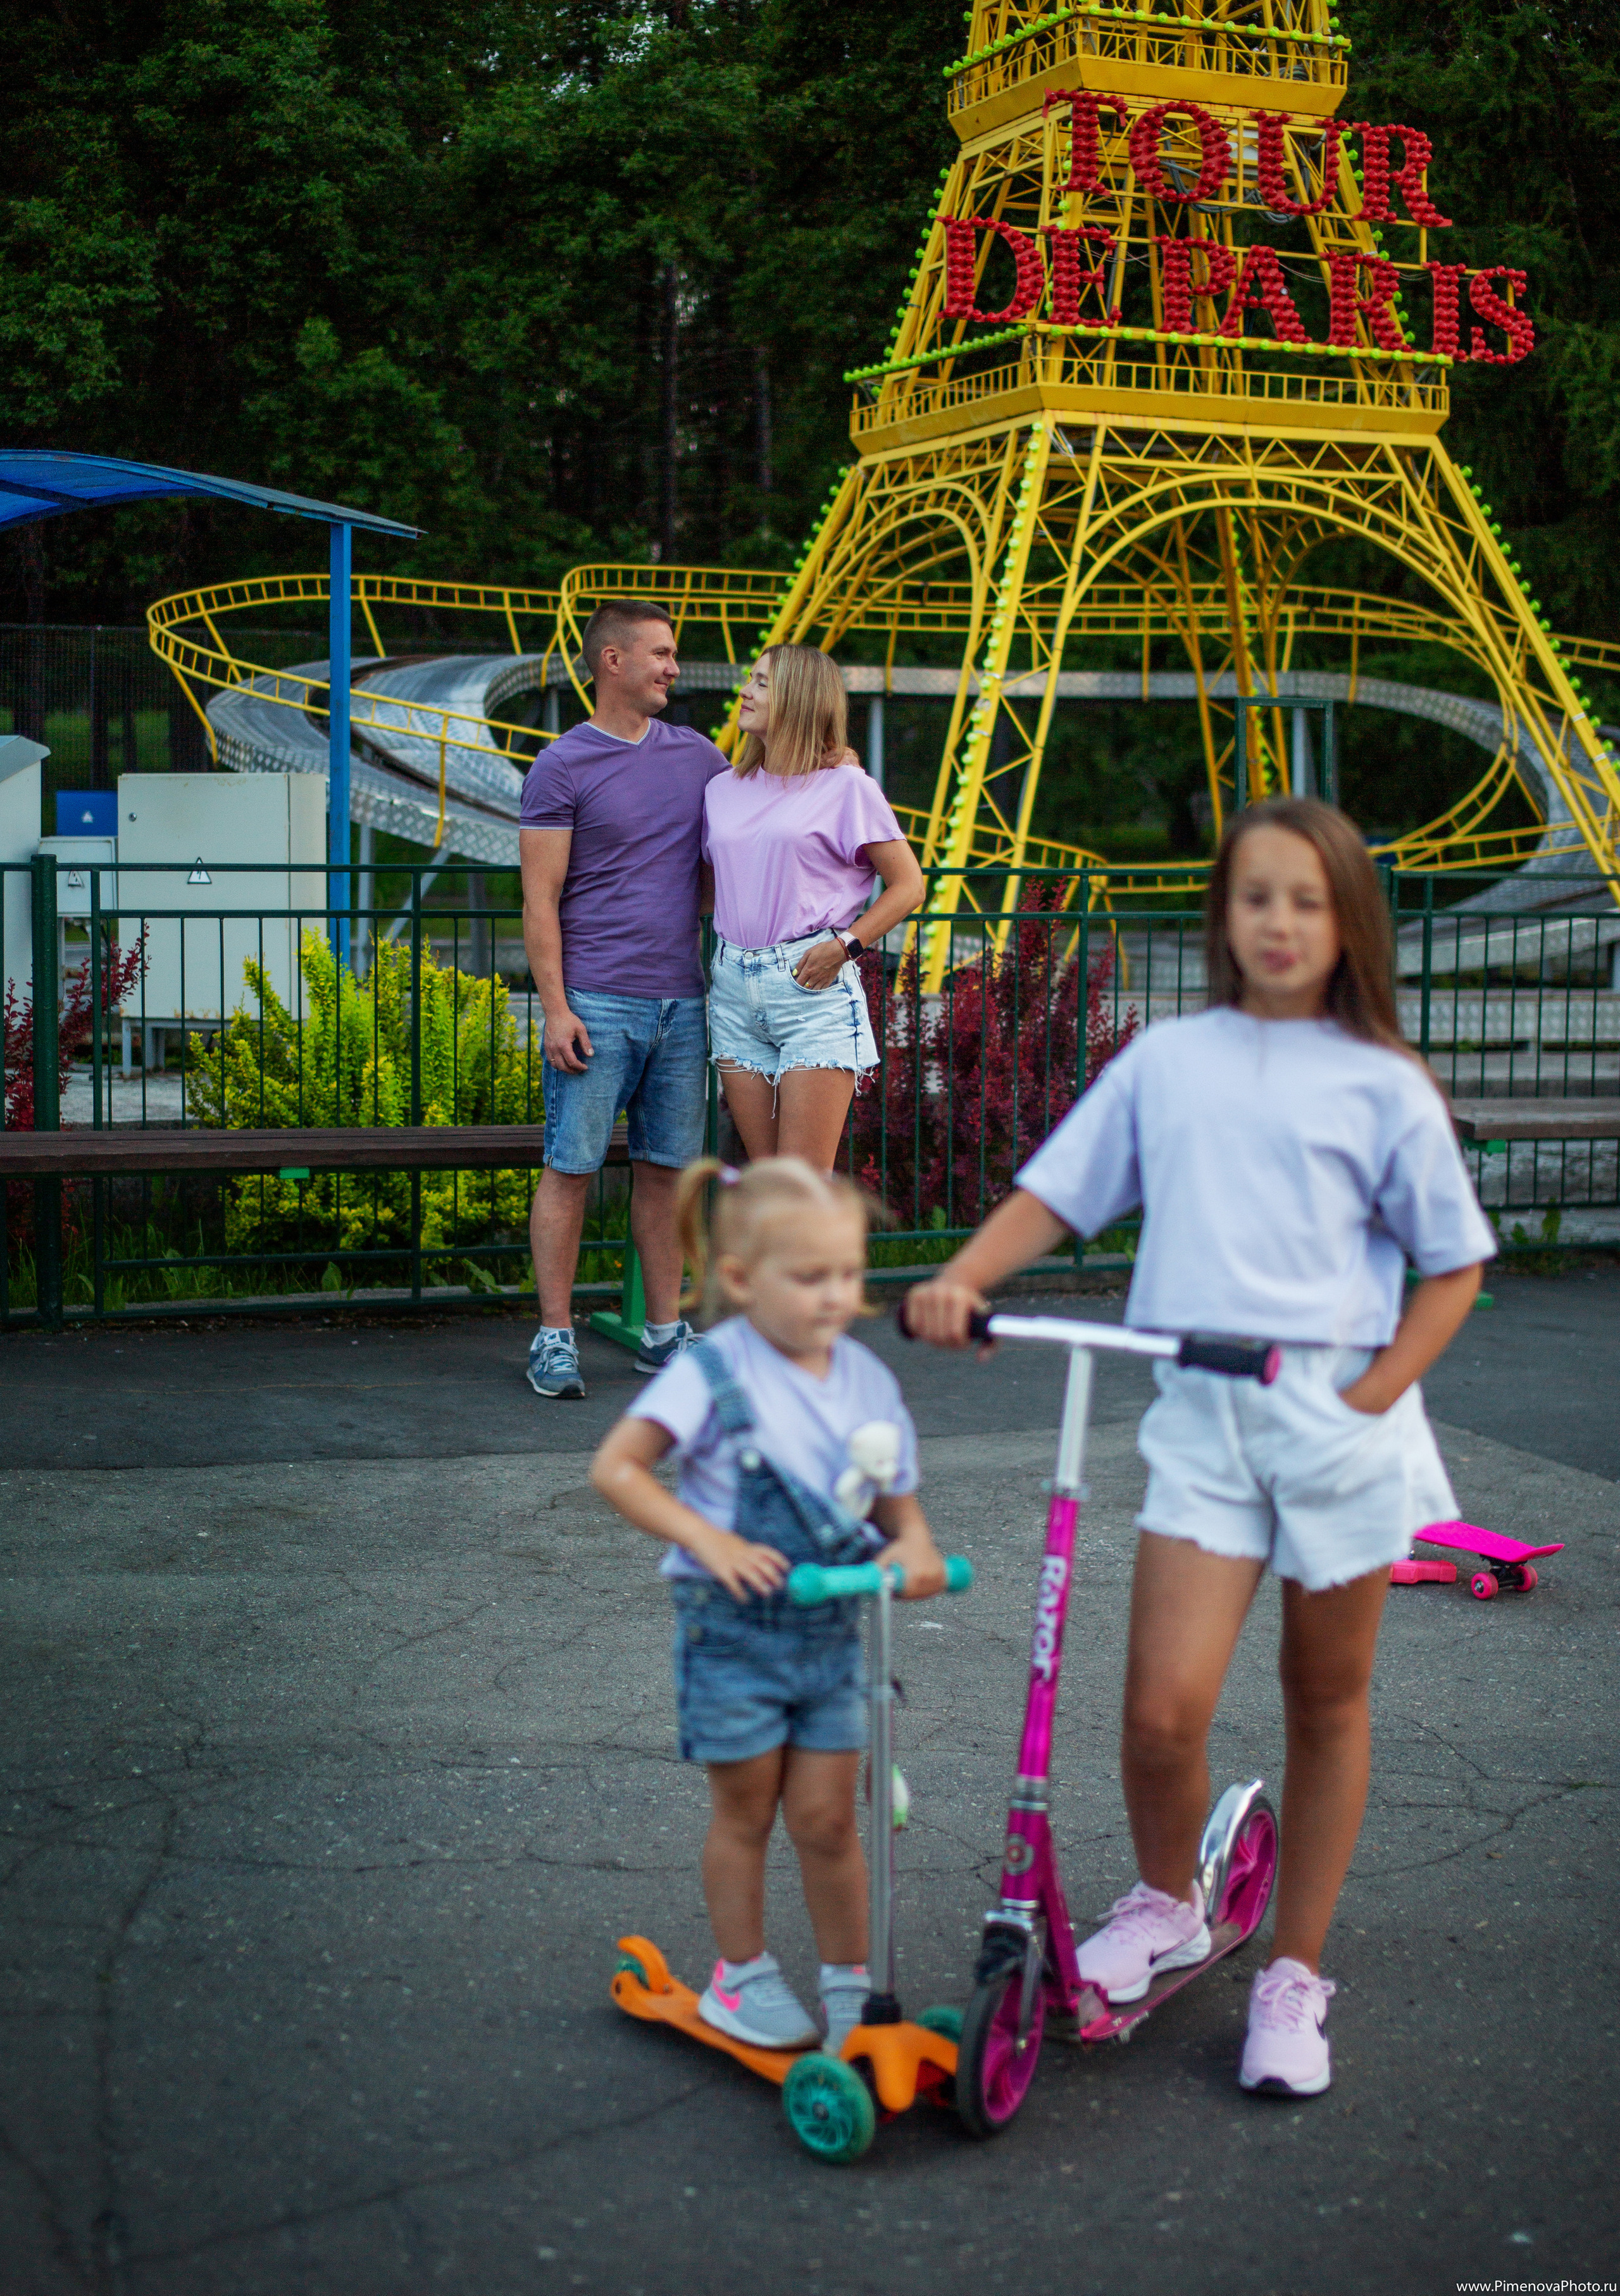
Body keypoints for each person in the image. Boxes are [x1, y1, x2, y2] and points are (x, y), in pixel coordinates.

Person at [902, 797, 1496, 2098]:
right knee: (1161, 1709)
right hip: (1202, 1421)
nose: (1277, 922)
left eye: (1304, 899)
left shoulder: (1380, 1080)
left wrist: (1372, 1390)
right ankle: (1167, 1902)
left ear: (1345, 922)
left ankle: (1290, 1973)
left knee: (1320, 1698)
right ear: (1222, 916)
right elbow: (1058, 1192)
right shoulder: (1170, 1062)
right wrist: (958, 1279)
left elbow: (1451, 1270)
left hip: (1336, 1423)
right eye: (1253, 897)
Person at [590, 1156, 947, 2052]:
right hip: (734, 1636)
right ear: (743, 1280)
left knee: (830, 1820)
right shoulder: (713, 1371)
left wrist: (915, 1548)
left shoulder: (867, 1381)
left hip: (833, 1638)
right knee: (746, 1812)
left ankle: (850, 1995)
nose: (837, 1296)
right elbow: (617, 1467)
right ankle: (739, 1977)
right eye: (811, 1276)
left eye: (851, 1275)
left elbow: (898, 1501)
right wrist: (705, 1539)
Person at [520, 600, 729, 1399]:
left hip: (683, 1001)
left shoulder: (701, 757)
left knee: (666, 1174)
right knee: (570, 1168)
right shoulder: (562, 765)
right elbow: (540, 900)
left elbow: (741, 839)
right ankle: (554, 1338)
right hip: (596, 1004)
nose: (674, 668)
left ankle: (664, 1335)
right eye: (662, 654)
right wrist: (556, 1007)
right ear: (613, 661)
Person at [702, 644, 926, 1170]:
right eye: (750, 679)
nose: (746, 691)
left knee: (801, 1184)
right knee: (768, 1182)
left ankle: (827, 1257)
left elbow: (909, 886)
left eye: (762, 683)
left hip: (811, 984)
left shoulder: (847, 787)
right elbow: (712, 889)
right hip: (733, 988)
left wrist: (845, 947)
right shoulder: (720, 790)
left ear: (800, 700)